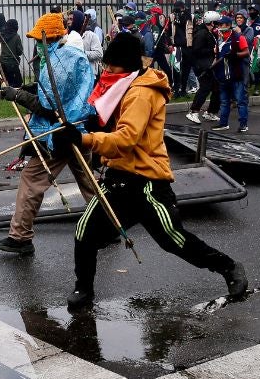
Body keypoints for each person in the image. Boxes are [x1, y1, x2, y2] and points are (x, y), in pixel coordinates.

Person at [54, 32, 248, 310]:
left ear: (129, 66)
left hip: (146, 183)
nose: (106, 72)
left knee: (174, 240)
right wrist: (78, 129)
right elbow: (102, 122)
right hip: (117, 180)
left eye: (112, 67)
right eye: (105, 66)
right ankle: (83, 289)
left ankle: (229, 267)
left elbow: (126, 139)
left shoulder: (141, 93)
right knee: (85, 231)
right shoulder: (121, 86)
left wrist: (83, 139)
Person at [0, 12, 98, 256]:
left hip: (59, 134)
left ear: (47, 39)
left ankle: (20, 237)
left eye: (38, 41)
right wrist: (26, 89)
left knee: (31, 181)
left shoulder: (58, 62)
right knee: (89, 182)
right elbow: (53, 93)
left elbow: (49, 107)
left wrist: (17, 95)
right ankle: (110, 226)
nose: (36, 45)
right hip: (79, 130)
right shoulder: (72, 55)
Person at [186, 11, 224, 123]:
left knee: (217, 88)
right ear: (212, 22)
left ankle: (211, 112)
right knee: (205, 88)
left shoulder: (208, 32)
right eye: (217, 23)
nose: (218, 25)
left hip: (209, 65)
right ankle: (193, 111)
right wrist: (211, 50)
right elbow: (196, 50)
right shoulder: (202, 33)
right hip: (203, 66)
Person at [217, 18, 251, 132]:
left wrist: (235, 55)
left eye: (223, 24)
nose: (220, 26)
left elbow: (247, 52)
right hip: (223, 75)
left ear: (229, 25)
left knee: (241, 101)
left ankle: (243, 125)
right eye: (220, 24)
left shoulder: (238, 37)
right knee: (224, 101)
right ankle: (223, 123)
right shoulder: (219, 39)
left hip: (236, 74)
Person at [0, 13, 24, 92]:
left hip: (1, 62)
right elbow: (19, 51)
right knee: (16, 82)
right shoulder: (16, 36)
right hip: (12, 63)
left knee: (2, 80)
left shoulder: (1, 34)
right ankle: (13, 95)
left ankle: (0, 95)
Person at [172, 0, 193, 96]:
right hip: (176, 47)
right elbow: (168, 31)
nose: (178, 10)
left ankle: (183, 89)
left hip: (187, 46)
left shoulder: (189, 17)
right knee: (176, 69)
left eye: (179, 8)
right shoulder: (172, 17)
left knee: (186, 69)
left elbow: (193, 31)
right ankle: (176, 90)